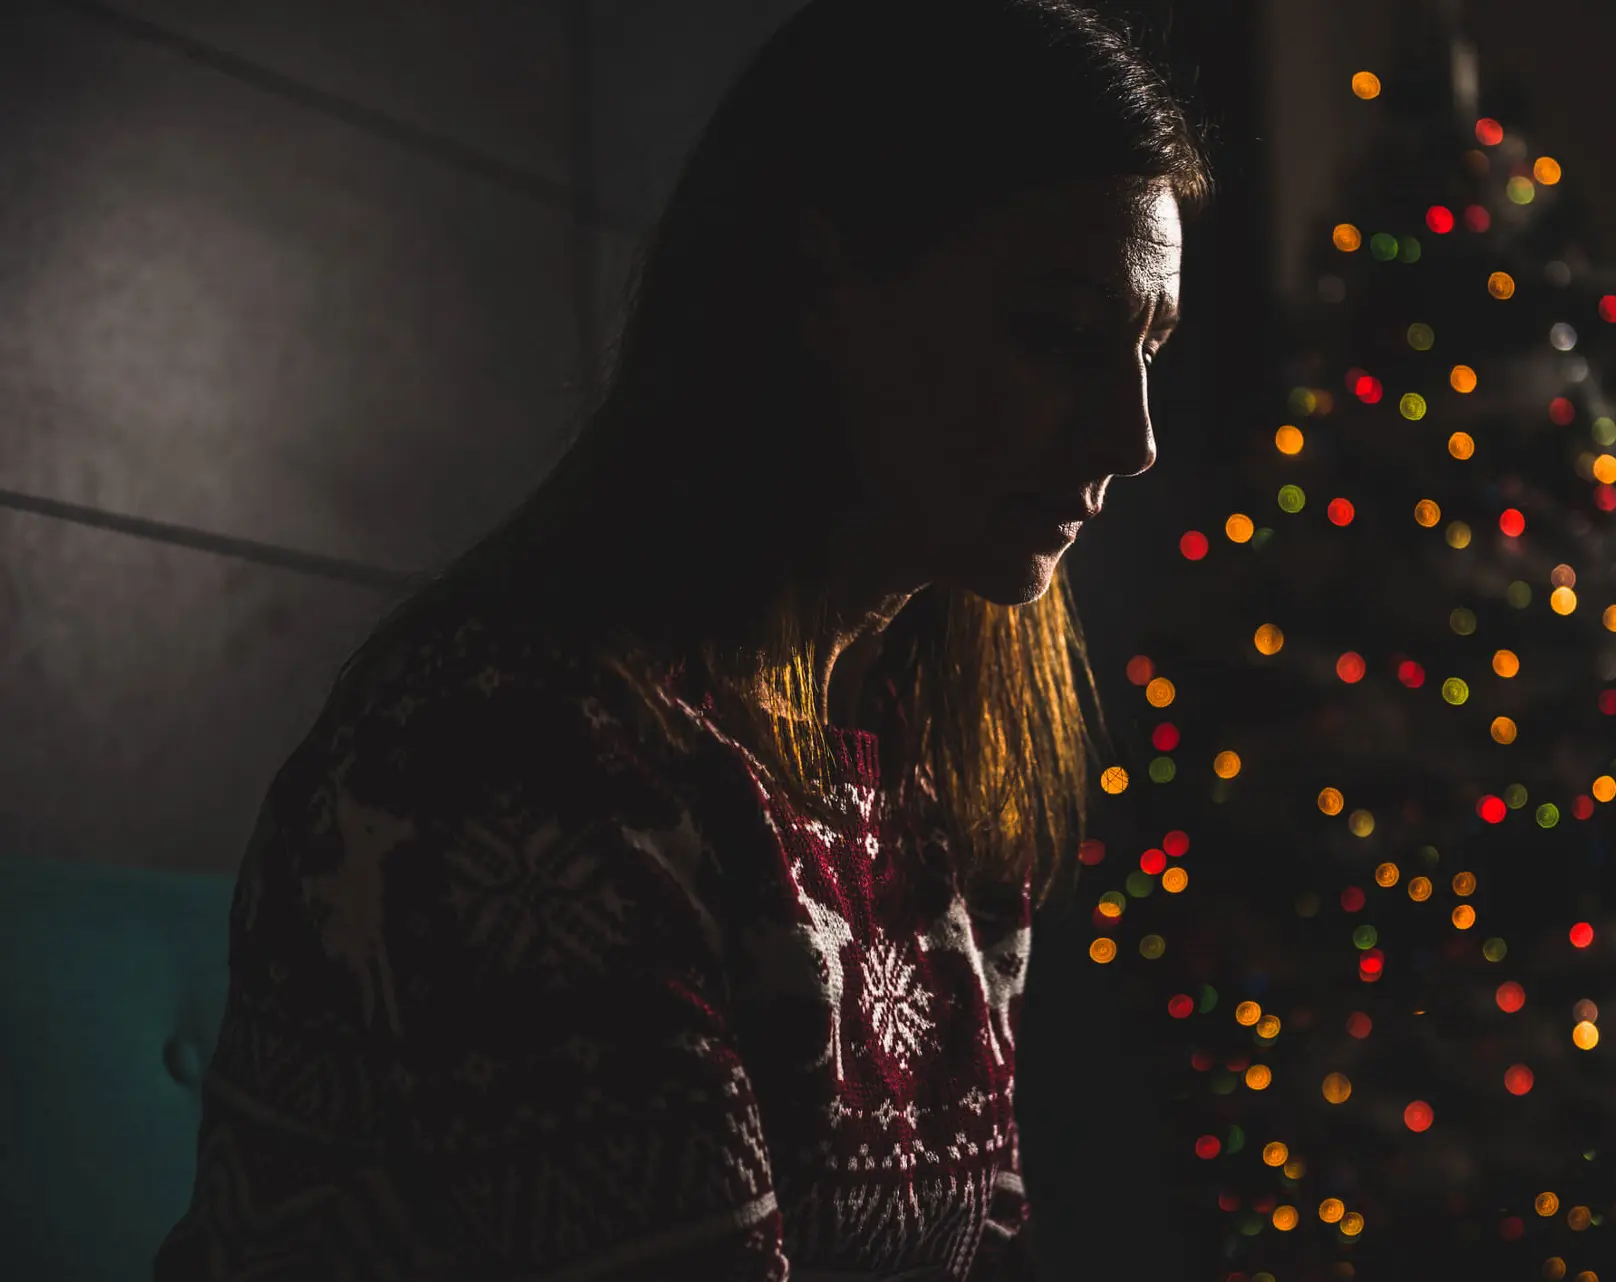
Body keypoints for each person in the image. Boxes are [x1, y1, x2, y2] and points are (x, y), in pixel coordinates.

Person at [153, 0, 1209, 1277]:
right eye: (1056, 333)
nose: (1133, 435)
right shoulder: (514, 758)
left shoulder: (922, 767)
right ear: (822, 286)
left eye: (1148, 346)